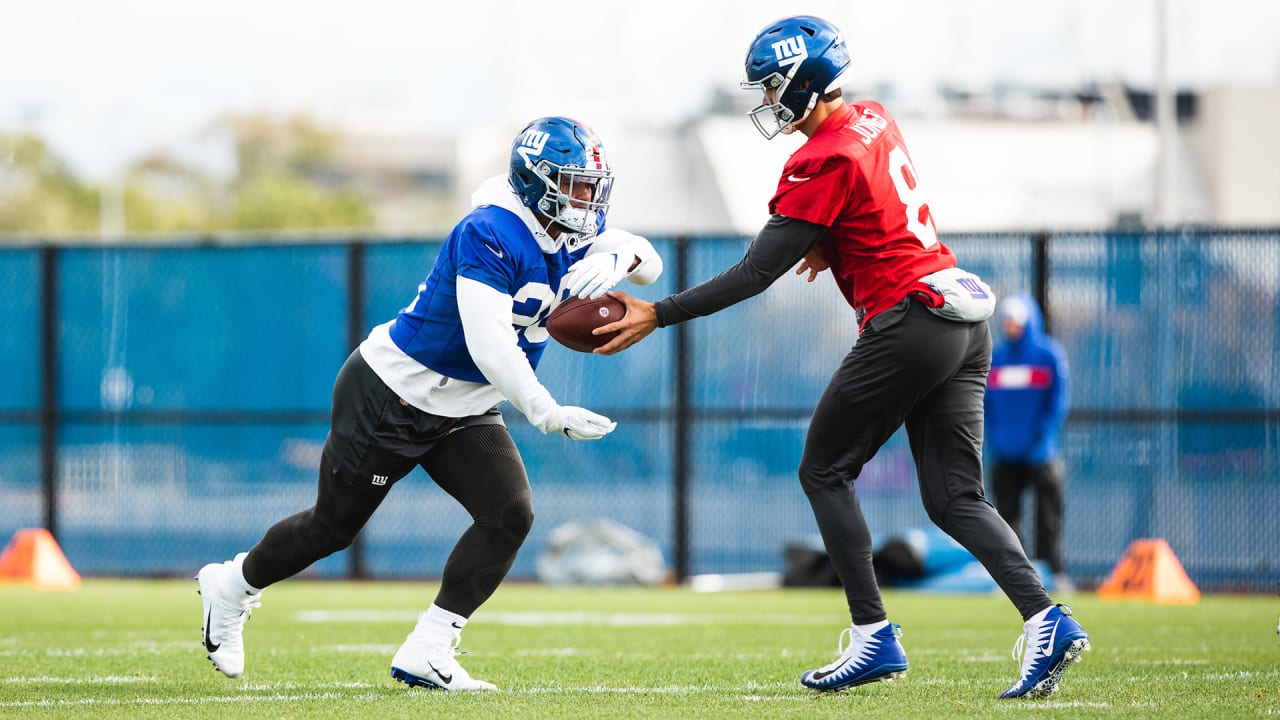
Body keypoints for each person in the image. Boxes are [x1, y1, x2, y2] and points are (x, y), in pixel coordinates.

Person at [596, 15, 1089, 699]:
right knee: (956, 497)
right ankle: (1047, 619)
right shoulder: (872, 118)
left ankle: (872, 636)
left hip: (910, 320)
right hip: (959, 317)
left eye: (774, 87)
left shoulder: (819, 158)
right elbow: (873, 204)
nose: (769, 102)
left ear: (804, 81)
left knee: (824, 469)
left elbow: (752, 274)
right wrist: (832, 238)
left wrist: (658, 312)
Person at [196, 116, 663, 691]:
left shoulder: (576, 232)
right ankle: (233, 585)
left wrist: (623, 259)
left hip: (465, 408)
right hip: (394, 394)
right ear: (535, 181)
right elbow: (488, 341)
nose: (586, 199)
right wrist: (545, 410)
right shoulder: (490, 230)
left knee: (509, 514)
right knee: (331, 529)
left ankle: (429, 648)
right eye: (573, 184)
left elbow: (650, 261)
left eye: (591, 185)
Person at [986, 291, 1072, 592]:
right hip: (1005, 453)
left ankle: (1055, 574)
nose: (1010, 326)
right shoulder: (995, 358)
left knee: (1049, 517)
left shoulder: (1049, 355)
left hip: (1040, 453)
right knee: (1006, 519)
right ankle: (1013, 578)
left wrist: (1042, 437)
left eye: (1016, 321)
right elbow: (986, 404)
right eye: (1006, 321)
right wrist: (996, 437)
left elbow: (1057, 402)